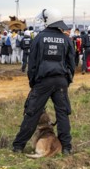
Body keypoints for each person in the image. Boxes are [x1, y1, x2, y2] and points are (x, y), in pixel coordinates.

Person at [12, 8, 75, 155]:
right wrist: (67, 80)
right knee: (62, 114)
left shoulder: (39, 38)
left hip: (43, 81)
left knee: (32, 113)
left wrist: (33, 82)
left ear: (48, 21)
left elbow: (32, 63)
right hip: (61, 81)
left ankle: (18, 146)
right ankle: (66, 148)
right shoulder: (66, 39)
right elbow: (71, 63)